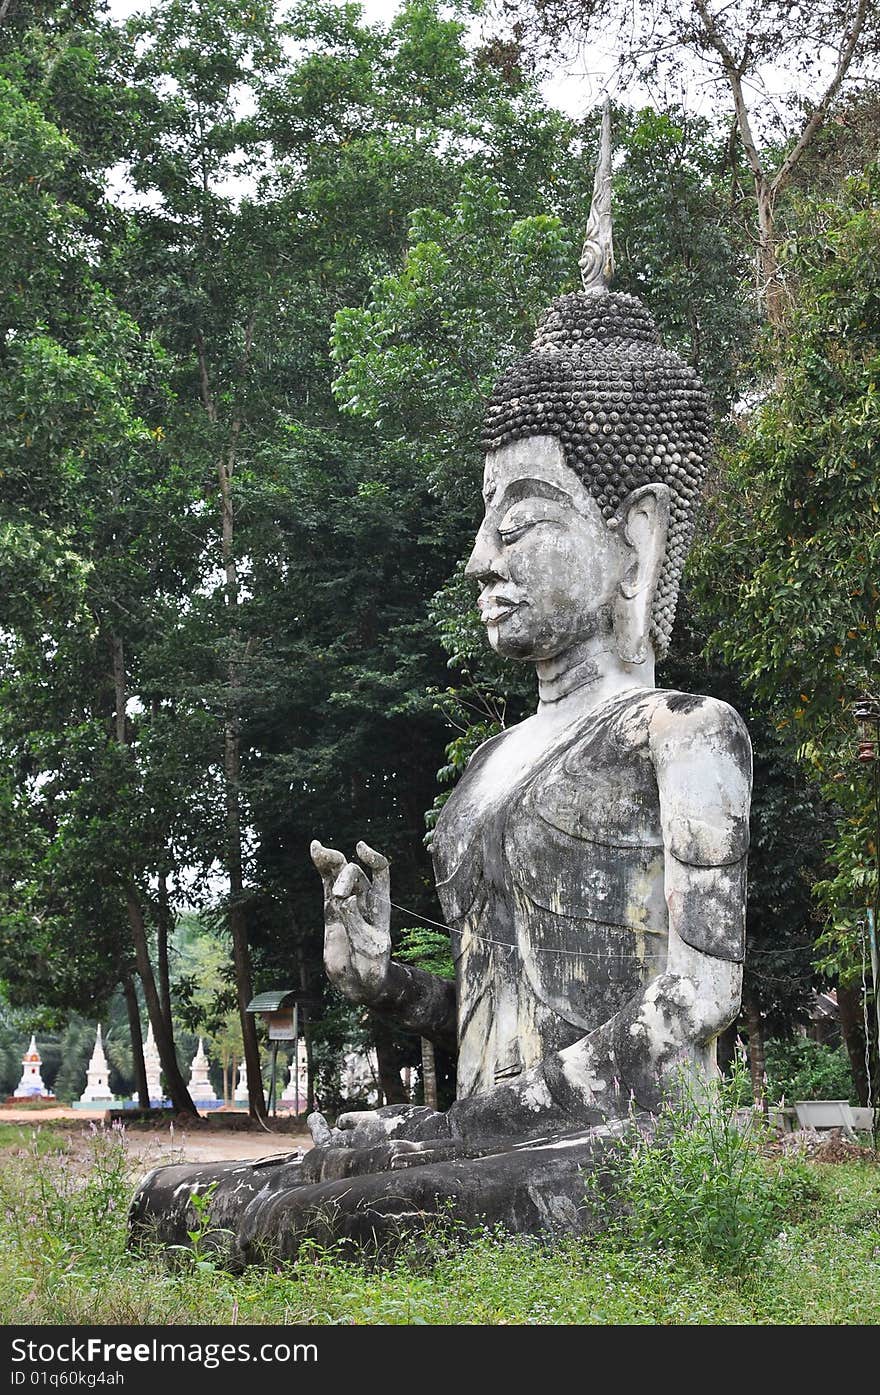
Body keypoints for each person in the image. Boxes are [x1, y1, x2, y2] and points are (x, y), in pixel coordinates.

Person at [131, 108, 751, 1258]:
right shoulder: (485, 768)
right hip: (492, 1134)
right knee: (174, 1194)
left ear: (639, 541)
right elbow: (479, 1009)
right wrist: (384, 984)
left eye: (521, 519)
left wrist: (456, 1126)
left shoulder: (684, 734)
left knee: (308, 1212)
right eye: (483, 518)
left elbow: (692, 1002)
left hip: (616, 1149)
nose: (480, 557)